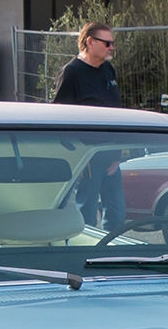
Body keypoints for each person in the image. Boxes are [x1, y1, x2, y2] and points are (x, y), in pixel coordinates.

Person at [51, 22, 125, 229]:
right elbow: (59, 118)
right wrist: (77, 157)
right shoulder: (72, 72)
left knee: (117, 212)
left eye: (112, 43)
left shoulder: (108, 70)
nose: (111, 48)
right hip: (87, 157)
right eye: (107, 43)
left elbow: (116, 112)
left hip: (111, 155)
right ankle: (86, 255)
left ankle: (114, 256)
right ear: (90, 42)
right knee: (87, 214)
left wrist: (118, 155)